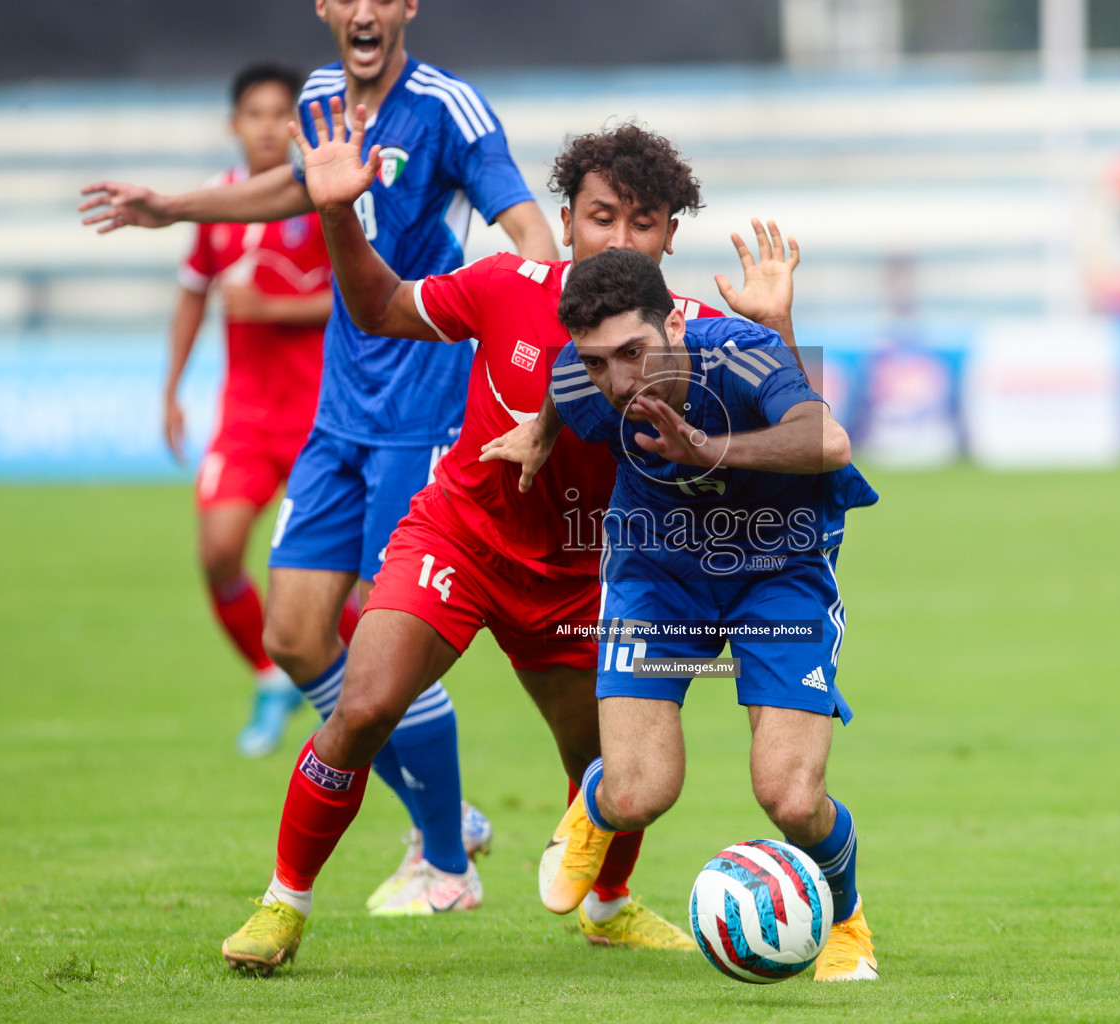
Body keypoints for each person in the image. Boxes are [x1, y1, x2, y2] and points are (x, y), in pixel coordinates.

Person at [216, 104, 804, 972]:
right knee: (366, 705)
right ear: (565, 219)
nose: (618, 239)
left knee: (609, 767)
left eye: (643, 223)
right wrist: (337, 210)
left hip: (586, 573)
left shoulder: (688, 329)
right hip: (461, 540)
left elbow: (790, 423)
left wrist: (777, 330)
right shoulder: (504, 286)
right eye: (601, 216)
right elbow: (377, 306)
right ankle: (282, 904)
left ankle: (607, 904)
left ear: (670, 237)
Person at [79, 0, 554, 915]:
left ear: (406, 7)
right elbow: (300, 189)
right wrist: (173, 206)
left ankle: (444, 862)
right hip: (339, 413)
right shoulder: (323, 95)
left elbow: (531, 238)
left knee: (385, 631)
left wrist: (525, 367)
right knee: (295, 635)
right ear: (328, 10)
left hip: (422, 411)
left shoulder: (452, 109)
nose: (366, 10)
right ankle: (441, 804)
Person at [489, 248, 880, 982]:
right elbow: (560, 385)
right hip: (656, 574)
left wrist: (709, 447)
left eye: (633, 353)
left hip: (776, 574)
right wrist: (541, 433)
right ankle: (599, 805)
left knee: (791, 799)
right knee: (642, 793)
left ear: (675, 320)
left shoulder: (743, 352)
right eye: (598, 361)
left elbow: (829, 440)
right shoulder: (582, 378)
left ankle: (847, 920)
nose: (619, 381)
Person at [164, 63, 336, 758]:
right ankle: (271, 677)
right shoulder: (216, 206)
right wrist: (171, 387)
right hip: (245, 418)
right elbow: (191, 293)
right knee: (218, 550)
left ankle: (346, 701)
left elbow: (363, 300)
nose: (266, 126)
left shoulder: (325, 196)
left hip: (323, 418)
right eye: (254, 113)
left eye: (279, 114)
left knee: (339, 583)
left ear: (296, 126)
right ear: (234, 124)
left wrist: (275, 308)